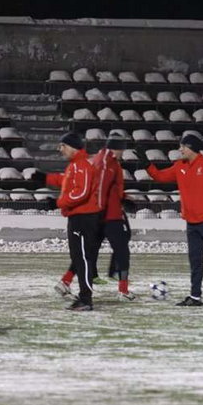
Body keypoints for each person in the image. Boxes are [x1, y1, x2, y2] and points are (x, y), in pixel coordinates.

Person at [33, 135, 137, 301]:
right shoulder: (105, 163)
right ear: (117, 149)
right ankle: (118, 291)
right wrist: (101, 209)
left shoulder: (99, 162)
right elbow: (92, 187)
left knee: (86, 252)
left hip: (100, 213)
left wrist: (122, 197)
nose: (122, 154)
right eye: (122, 150)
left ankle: (66, 282)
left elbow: (76, 181)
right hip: (107, 215)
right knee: (118, 250)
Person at [137, 134, 203, 307]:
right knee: (195, 261)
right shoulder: (179, 166)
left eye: (182, 147)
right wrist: (146, 163)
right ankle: (195, 297)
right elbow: (160, 177)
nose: (180, 150)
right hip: (191, 222)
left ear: (191, 147)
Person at [35, 132, 102, 311]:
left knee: (83, 259)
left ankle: (86, 299)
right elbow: (67, 183)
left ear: (72, 146)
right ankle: (84, 297)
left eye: (62, 146)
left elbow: (81, 192)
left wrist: (57, 203)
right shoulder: (75, 166)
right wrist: (46, 178)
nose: (60, 149)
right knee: (79, 258)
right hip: (77, 217)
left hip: (84, 218)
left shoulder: (81, 166)